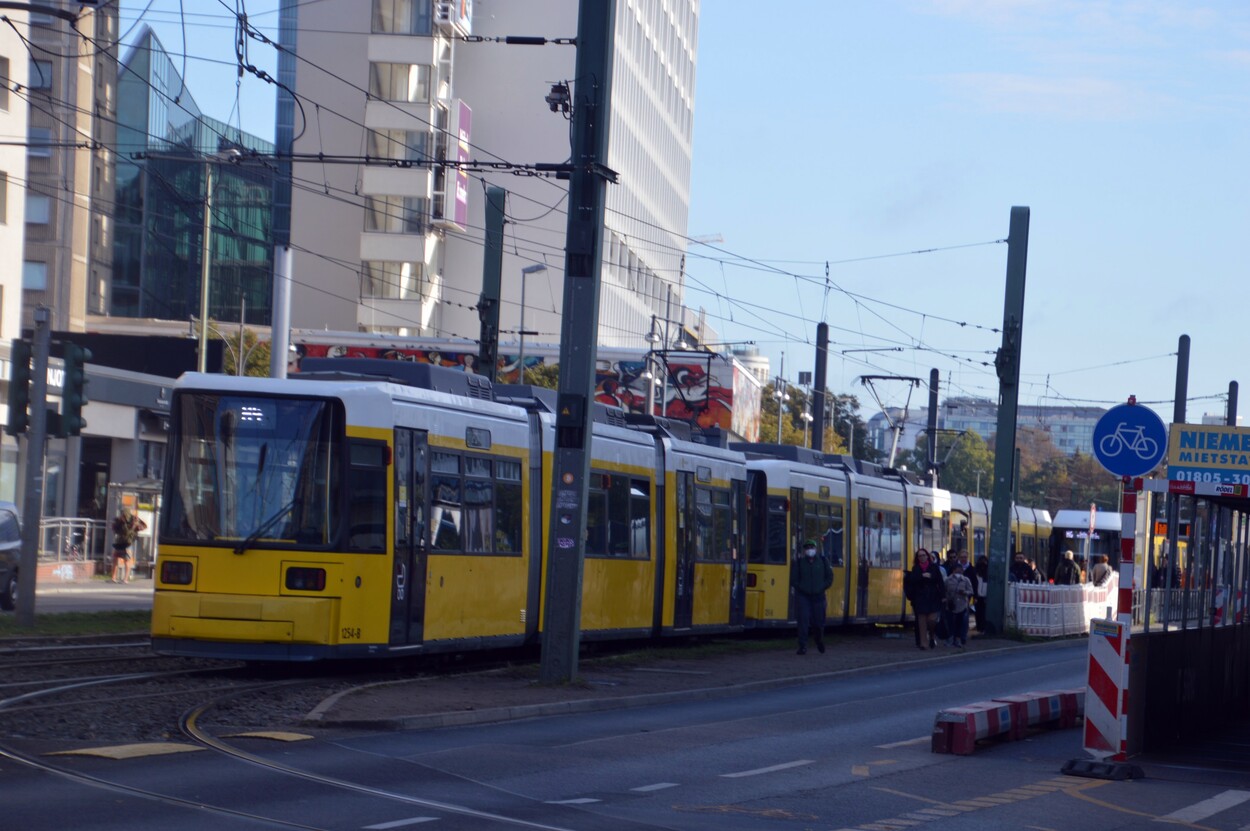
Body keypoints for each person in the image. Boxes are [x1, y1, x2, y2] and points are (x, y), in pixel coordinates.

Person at [790, 538, 833, 654]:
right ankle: (803, 646)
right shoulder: (800, 563)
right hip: (803, 597)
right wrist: (801, 588)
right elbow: (794, 579)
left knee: (818, 623)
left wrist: (822, 587)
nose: (810, 550)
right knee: (803, 622)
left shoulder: (823, 561)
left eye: (812, 547)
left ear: (815, 549)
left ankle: (819, 641)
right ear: (804, 550)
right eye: (807, 548)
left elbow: (829, 577)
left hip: (819, 597)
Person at [903, 548, 945, 650]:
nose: (922, 557)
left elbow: (940, 582)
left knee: (932, 620)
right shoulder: (916, 568)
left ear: (927, 556)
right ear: (917, 558)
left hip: (933, 597)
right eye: (920, 556)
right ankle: (923, 644)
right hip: (920, 598)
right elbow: (913, 580)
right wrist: (922, 576)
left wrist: (943, 596)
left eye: (923, 555)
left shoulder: (934, 567)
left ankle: (932, 635)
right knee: (921, 622)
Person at [111, 507, 147, 583]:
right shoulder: (119, 521)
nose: (123, 516)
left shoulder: (133, 520)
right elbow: (115, 529)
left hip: (128, 543)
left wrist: (137, 522)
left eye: (124, 514)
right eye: (122, 514)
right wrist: (120, 522)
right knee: (115, 559)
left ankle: (125, 579)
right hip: (119, 542)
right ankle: (113, 577)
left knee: (127, 560)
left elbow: (144, 526)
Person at [943, 560, 974, 649]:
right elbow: (944, 591)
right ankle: (951, 638)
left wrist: (964, 592)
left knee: (960, 623)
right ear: (953, 570)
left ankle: (957, 640)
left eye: (961, 570)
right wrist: (946, 598)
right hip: (951, 604)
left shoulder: (966, 580)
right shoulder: (947, 579)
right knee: (950, 622)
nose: (959, 571)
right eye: (958, 569)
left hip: (962, 605)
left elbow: (971, 591)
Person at [973, 555, 989, 632]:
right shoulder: (976, 572)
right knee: (979, 613)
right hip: (978, 596)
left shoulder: (988, 573)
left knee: (983, 613)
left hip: (985, 596)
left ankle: (983, 627)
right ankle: (980, 628)